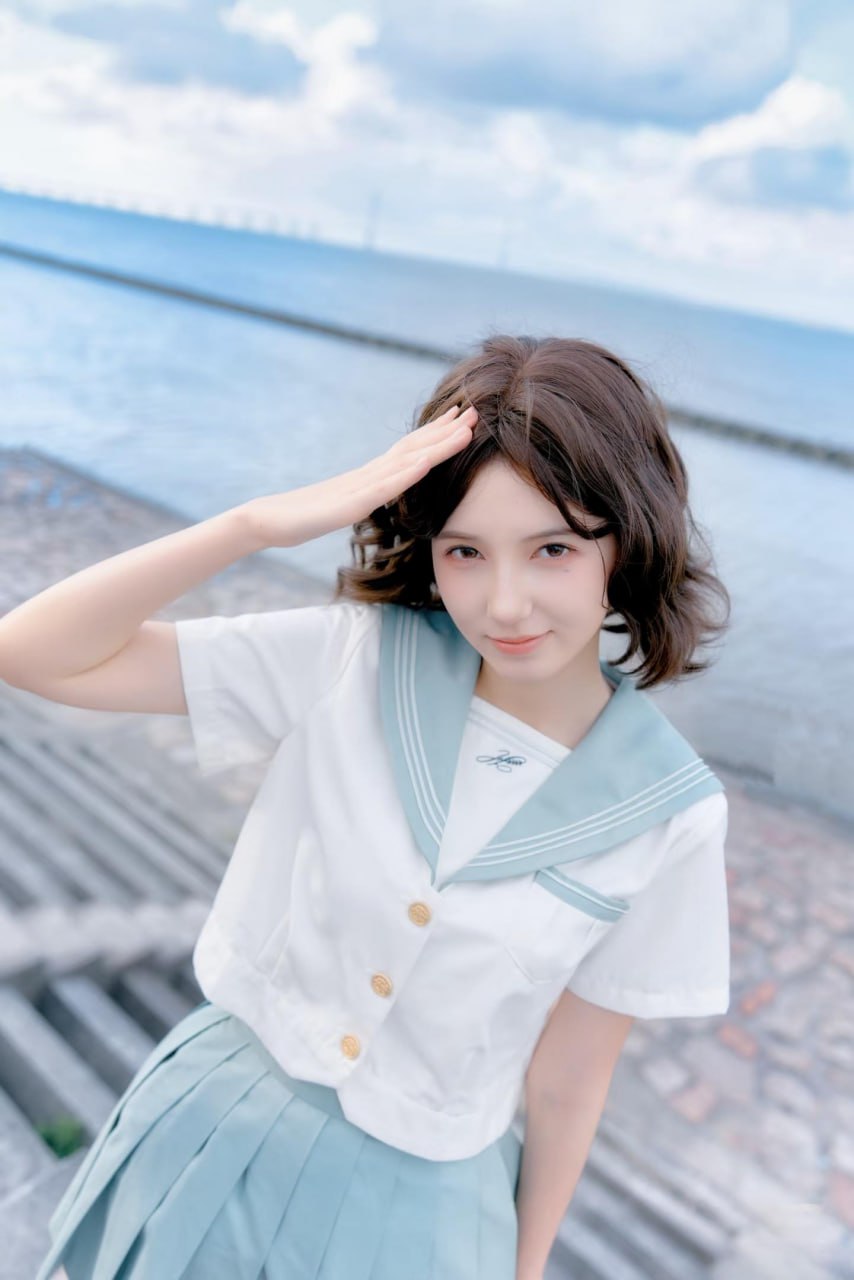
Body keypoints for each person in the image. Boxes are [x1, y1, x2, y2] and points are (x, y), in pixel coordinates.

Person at [0, 333, 733, 1280]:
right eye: (466, 550)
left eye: (551, 547)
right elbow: (33, 652)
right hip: (206, 1136)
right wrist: (258, 525)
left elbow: (567, 1079)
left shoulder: (671, 813)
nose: (505, 603)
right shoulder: (353, 658)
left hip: (426, 1217)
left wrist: (527, 1265)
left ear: (623, 541)